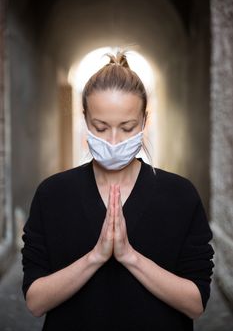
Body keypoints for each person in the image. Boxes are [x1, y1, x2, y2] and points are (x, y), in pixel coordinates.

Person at [21, 51, 215, 331]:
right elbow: (35, 302)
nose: (113, 141)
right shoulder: (53, 194)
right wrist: (95, 257)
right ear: (85, 119)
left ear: (144, 121)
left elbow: (195, 303)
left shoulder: (180, 195)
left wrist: (129, 257)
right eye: (100, 127)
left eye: (127, 127)